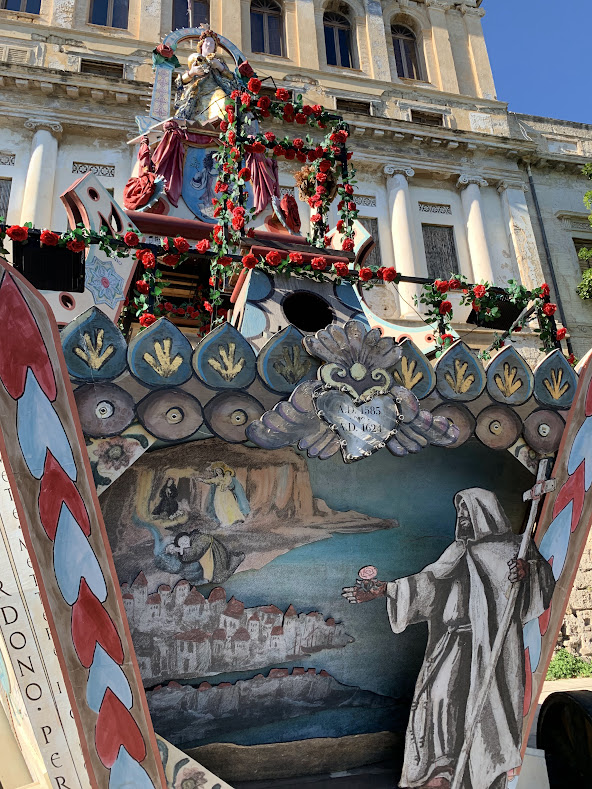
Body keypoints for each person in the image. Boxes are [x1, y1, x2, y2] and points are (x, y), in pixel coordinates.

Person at [342, 488, 555, 789]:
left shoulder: (514, 548)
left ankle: (478, 771)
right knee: (439, 697)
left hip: (489, 646)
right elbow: (427, 585)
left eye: (468, 513)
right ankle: (441, 768)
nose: (463, 520)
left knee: (483, 707)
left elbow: (541, 582)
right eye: (461, 514)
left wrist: (527, 573)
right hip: (452, 642)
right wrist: (385, 590)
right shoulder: (457, 552)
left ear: (485, 512)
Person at [174, 30, 236, 124]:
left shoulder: (218, 61)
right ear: (201, 45)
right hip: (197, 94)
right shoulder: (195, 60)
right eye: (206, 42)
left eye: (212, 43)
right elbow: (181, 81)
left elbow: (230, 78)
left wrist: (220, 67)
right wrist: (192, 72)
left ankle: (219, 130)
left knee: (224, 102)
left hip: (215, 90)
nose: (209, 45)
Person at [199, 463, 250, 527]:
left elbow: (232, 486)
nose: (218, 472)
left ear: (222, 471)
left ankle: (236, 519)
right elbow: (209, 481)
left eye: (219, 470)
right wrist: (202, 480)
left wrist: (228, 487)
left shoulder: (227, 478)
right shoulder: (216, 479)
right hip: (219, 494)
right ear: (215, 472)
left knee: (230, 505)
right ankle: (224, 521)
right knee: (219, 506)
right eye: (217, 471)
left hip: (227, 493)